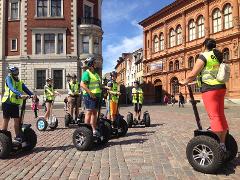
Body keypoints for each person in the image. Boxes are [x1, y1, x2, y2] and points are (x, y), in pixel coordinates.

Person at [179, 38, 228, 152]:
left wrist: (184, 81)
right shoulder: (217, 56)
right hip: (221, 87)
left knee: (214, 117)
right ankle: (222, 143)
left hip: (210, 90)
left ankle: (217, 147)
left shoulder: (204, 56)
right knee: (220, 115)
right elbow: (210, 73)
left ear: (204, 46)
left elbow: (193, 73)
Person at [1, 65, 33, 143]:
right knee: (6, 120)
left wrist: (32, 94)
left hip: (14, 103)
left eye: (17, 70)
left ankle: (18, 137)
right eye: (15, 71)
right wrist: (19, 94)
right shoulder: (8, 78)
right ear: (11, 72)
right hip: (7, 102)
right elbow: (12, 88)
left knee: (17, 120)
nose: (16, 72)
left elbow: (25, 88)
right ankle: (2, 138)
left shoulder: (19, 80)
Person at [81, 57, 102, 136]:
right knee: (89, 112)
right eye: (94, 62)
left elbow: (99, 85)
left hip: (96, 96)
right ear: (91, 64)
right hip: (89, 96)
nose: (96, 63)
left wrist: (106, 87)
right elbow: (82, 84)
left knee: (94, 113)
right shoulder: (86, 73)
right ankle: (86, 131)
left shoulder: (96, 74)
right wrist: (90, 93)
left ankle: (93, 129)